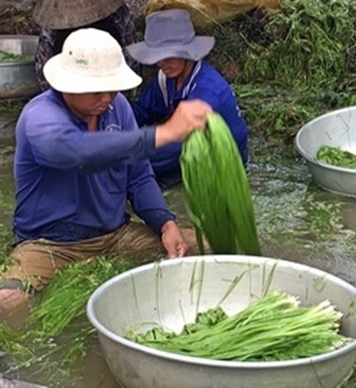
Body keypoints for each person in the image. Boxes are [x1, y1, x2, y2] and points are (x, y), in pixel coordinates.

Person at [0, 28, 211, 317]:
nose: (107, 98)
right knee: (9, 301)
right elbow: (75, 152)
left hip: (115, 236)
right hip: (47, 245)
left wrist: (165, 223)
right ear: (67, 85)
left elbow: (138, 176)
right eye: (97, 90)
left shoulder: (117, 108)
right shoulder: (39, 117)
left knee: (206, 246)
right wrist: (163, 134)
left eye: (112, 88)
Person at [126, 9, 248, 190]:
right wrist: (112, 136)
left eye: (169, 56)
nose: (162, 63)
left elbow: (179, 144)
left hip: (219, 163)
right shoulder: (166, 79)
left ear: (188, 53)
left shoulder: (207, 92)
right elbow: (141, 112)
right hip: (183, 149)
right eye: (158, 57)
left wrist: (124, 157)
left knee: (133, 177)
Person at [32, 0, 140, 91]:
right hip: (71, 81)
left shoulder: (116, 13)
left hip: (109, 74)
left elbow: (42, 64)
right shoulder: (53, 21)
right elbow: (131, 51)